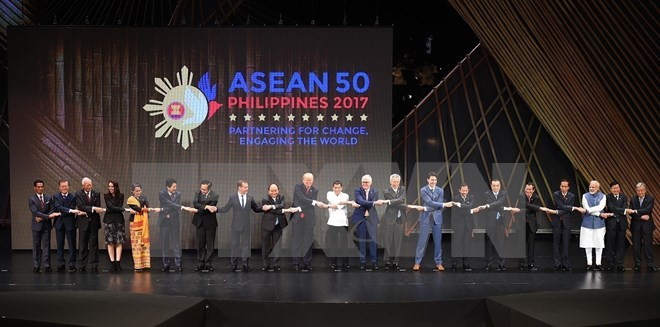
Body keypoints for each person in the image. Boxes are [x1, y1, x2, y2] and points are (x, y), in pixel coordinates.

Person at [217, 180, 262, 272]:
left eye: (247, 187)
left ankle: (245, 264)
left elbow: (256, 209)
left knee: (246, 246)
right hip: (236, 225)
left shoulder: (250, 198)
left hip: (246, 225)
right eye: (245, 187)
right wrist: (216, 209)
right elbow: (225, 208)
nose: (247, 189)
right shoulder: (233, 197)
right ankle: (233, 265)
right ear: (239, 187)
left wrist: (263, 208)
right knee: (235, 245)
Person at [412, 172, 452, 272]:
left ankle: (439, 263)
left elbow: (436, 205)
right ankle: (417, 262)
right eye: (431, 180)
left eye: (435, 180)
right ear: (428, 180)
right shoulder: (423, 190)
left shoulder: (440, 190)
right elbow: (431, 202)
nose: (433, 181)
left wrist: (425, 208)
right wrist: (444, 205)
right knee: (422, 241)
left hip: (437, 218)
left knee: (438, 241)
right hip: (425, 218)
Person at [158, 178, 196, 272]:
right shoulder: (162, 193)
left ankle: (178, 264)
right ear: (168, 187)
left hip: (174, 221)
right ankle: (166, 264)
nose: (175, 188)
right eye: (173, 187)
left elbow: (174, 206)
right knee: (165, 244)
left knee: (176, 244)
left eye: (176, 186)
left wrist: (164, 210)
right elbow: (169, 204)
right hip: (164, 222)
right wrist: (184, 208)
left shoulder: (178, 194)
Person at [291, 173, 326, 272]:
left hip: (309, 219)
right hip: (298, 218)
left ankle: (307, 263)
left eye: (310, 180)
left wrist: (302, 206)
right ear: (303, 180)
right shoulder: (297, 187)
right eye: (307, 180)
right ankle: (296, 263)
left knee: (308, 241)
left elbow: (308, 204)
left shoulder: (315, 190)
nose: (309, 182)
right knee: (297, 241)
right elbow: (301, 199)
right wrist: (315, 202)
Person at [260, 183, 296, 272]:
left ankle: (276, 264)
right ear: (268, 191)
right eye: (272, 190)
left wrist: (272, 206)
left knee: (277, 246)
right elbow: (274, 211)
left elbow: (282, 205)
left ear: (278, 190)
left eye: (275, 190)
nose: (274, 192)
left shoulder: (281, 197)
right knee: (266, 247)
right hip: (267, 226)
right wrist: (284, 210)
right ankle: (266, 265)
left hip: (278, 225)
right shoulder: (265, 199)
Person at [353, 174, 386, 271]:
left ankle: (374, 262)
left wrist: (366, 206)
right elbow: (361, 201)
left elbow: (367, 202)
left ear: (371, 183)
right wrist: (373, 204)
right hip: (361, 218)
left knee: (373, 241)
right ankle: (362, 262)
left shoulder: (375, 191)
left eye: (366, 182)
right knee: (362, 240)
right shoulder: (357, 190)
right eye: (363, 182)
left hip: (372, 218)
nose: (364, 183)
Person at [382, 174, 414, 271]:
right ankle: (387, 261)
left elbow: (399, 200)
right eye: (394, 181)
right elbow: (399, 201)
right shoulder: (386, 191)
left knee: (398, 242)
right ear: (390, 182)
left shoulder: (403, 189)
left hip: (400, 219)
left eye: (397, 181)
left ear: (399, 182)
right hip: (389, 219)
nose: (395, 183)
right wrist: (401, 203)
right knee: (388, 241)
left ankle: (396, 261)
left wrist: (391, 202)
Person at [549, 179, 583, 271]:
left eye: (565, 186)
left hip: (566, 222)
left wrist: (558, 211)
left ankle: (565, 263)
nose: (563, 188)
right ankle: (557, 264)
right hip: (557, 221)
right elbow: (560, 205)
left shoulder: (572, 196)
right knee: (556, 243)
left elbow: (564, 208)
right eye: (562, 186)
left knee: (566, 243)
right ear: (560, 186)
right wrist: (573, 208)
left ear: (568, 187)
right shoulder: (556, 194)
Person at [28, 179, 60, 272]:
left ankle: (47, 265)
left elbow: (52, 209)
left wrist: (43, 217)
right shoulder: (31, 199)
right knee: (36, 246)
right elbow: (35, 212)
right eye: (38, 187)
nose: (40, 188)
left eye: (42, 186)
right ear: (35, 188)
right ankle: (36, 265)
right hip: (36, 225)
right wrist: (48, 216)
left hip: (46, 225)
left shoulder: (48, 197)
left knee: (46, 245)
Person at [326, 180, 358, 272]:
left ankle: (345, 263)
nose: (337, 189)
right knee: (333, 244)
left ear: (341, 188)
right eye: (335, 187)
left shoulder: (346, 195)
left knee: (344, 244)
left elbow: (336, 205)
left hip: (343, 222)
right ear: (333, 188)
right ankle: (333, 263)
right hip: (332, 222)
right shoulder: (329, 194)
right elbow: (336, 204)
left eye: (338, 187)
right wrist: (344, 203)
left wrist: (337, 204)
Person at [52, 179, 83, 272]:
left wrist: (64, 211)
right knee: (60, 245)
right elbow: (58, 207)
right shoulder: (56, 196)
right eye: (62, 186)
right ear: (59, 187)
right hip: (59, 223)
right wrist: (69, 211)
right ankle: (61, 264)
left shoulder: (73, 197)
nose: (64, 188)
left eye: (66, 186)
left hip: (70, 223)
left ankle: (72, 264)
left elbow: (72, 207)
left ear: (68, 187)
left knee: (72, 245)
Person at [127, 183, 159, 272]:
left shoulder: (144, 198)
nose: (138, 192)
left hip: (144, 223)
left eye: (139, 191)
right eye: (136, 191)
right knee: (136, 244)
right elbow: (138, 208)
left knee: (144, 244)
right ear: (132, 191)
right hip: (135, 224)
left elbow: (146, 207)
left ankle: (145, 264)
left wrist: (144, 209)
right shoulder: (130, 199)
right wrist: (145, 209)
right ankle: (138, 265)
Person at [75, 177, 104, 273]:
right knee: (82, 244)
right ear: (83, 185)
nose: (90, 186)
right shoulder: (78, 194)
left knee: (94, 245)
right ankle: (82, 264)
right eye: (87, 185)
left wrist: (89, 210)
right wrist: (92, 209)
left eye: (90, 185)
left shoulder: (96, 193)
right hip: (83, 223)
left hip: (94, 223)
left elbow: (98, 206)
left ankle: (94, 264)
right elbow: (81, 206)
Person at [627, 182, 657, 272]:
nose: (640, 192)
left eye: (642, 190)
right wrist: (640, 215)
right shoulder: (633, 199)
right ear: (636, 191)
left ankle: (650, 264)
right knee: (636, 246)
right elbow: (631, 213)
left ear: (645, 190)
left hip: (647, 226)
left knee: (648, 245)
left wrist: (635, 211)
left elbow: (648, 209)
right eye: (638, 191)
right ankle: (637, 264)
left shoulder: (650, 198)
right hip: (636, 225)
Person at [450, 183, 479, 272]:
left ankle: (466, 264)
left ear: (468, 190)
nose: (464, 192)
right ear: (459, 190)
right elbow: (459, 212)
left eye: (466, 190)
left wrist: (462, 206)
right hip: (458, 225)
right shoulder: (456, 198)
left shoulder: (471, 197)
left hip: (468, 226)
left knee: (467, 245)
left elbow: (470, 206)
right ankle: (454, 264)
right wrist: (470, 211)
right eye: (463, 190)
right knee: (457, 245)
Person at [480, 179, 507, 272]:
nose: (495, 187)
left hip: (500, 222)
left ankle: (501, 264)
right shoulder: (487, 194)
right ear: (491, 186)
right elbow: (498, 205)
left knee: (501, 243)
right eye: (494, 185)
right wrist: (501, 207)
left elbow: (498, 203)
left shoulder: (503, 193)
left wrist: (489, 206)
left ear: (500, 186)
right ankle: (488, 264)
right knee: (489, 244)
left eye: (497, 185)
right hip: (490, 221)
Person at [601, 181, 628, 272]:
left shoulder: (624, 197)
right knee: (610, 244)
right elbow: (611, 207)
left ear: (619, 188)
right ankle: (610, 263)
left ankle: (620, 263)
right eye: (614, 188)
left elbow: (624, 208)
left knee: (621, 244)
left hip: (622, 223)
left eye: (617, 188)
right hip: (611, 223)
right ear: (610, 189)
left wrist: (618, 211)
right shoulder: (607, 197)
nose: (616, 190)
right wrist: (622, 211)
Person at [192, 180, 219, 272]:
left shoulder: (215, 195)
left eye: (204, 189)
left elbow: (209, 209)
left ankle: (208, 263)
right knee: (200, 243)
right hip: (199, 222)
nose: (202, 190)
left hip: (210, 223)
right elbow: (195, 204)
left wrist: (200, 209)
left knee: (210, 244)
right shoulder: (197, 193)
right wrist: (206, 206)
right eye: (201, 188)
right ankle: (200, 263)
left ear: (209, 189)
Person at [580, 180, 607, 271]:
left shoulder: (603, 196)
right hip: (587, 223)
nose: (591, 188)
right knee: (588, 244)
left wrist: (590, 210)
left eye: (593, 187)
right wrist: (599, 214)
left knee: (599, 243)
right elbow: (586, 207)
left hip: (599, 224)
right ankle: (589, 263)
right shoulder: (585, 196)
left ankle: (598, 263)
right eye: (590, 187)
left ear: (598, 188)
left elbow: (600, 207)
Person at [518, 182, 542, 271]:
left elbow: (536, 208)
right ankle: (521, 263)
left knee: (531, 245)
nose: (528, 191)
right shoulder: (521, 196)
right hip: (521, 223)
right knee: (521, 244)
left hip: (531, 223)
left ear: (533, 190)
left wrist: (527, 206)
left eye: (530, 189)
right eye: (526, 189)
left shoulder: (536, 197)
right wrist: (531, 207)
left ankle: (531, 263)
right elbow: (532, 208)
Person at [103, 180, 126, 273]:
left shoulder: (121, 195)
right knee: (110, 242)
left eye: (112, 186)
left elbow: (116, 207)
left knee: (119, 242)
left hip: (119, 220)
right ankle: (112, 263)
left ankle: (118, 262)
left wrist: (118, 209)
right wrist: (123, 209)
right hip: (109, 221)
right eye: (109, 186)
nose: (110, 188)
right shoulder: (106, 196)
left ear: (116, 187)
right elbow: (110, 206)